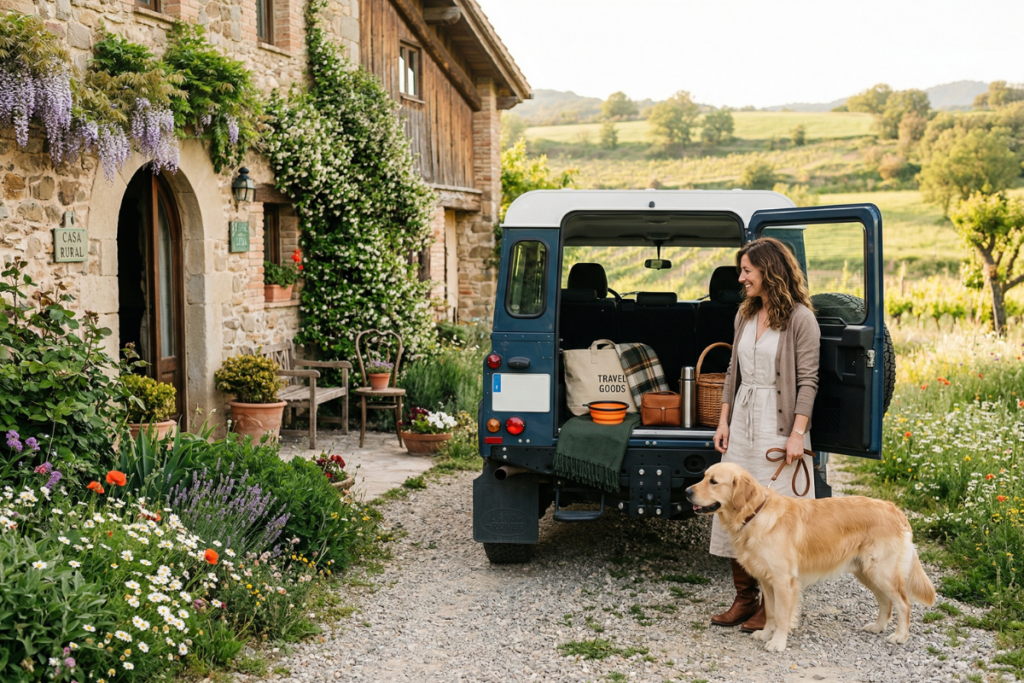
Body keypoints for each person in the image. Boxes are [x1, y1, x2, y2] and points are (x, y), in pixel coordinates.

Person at [709, 237, 821, 632]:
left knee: (777, 520)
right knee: (732, 507)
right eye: (742, 271)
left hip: (780, 426)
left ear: (769, 272)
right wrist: (723, 421)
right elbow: (731, 373)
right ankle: (745, 598)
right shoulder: (744, 315)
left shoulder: (801, 319)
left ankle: (774, 605)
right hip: (742, 419)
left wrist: (797, 435)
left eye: (747, 271)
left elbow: (808, 381)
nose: (741, 278)